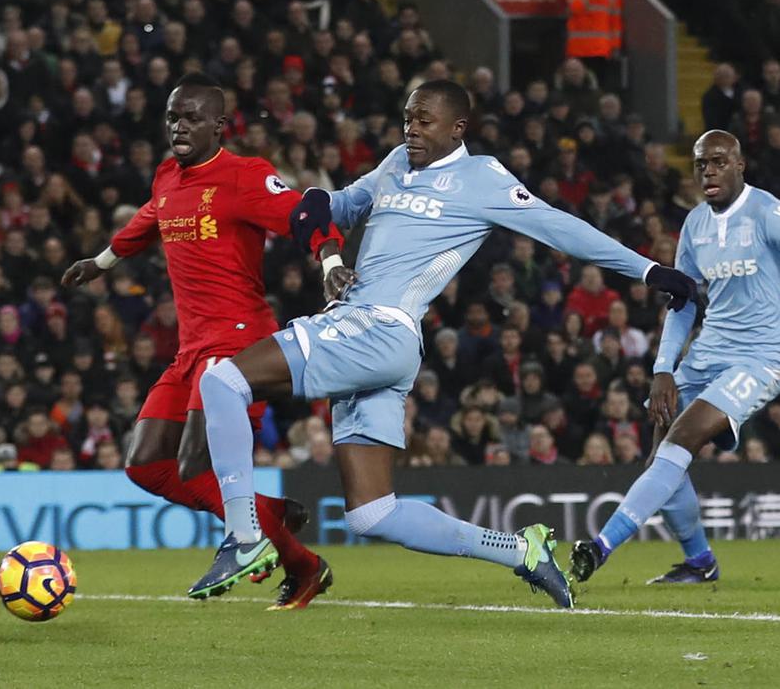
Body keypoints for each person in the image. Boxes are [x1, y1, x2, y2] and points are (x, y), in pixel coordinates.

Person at [191, 80, 698, 607]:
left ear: (458, 128)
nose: (411, 128)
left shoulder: (481, 178)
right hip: (376, 343)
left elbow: (560, 228)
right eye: (408, 117)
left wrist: (649, 269)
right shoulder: (393, 164)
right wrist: (313, 202)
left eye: (424, 120)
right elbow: (336, 207)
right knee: (372, 512)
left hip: (379, 327)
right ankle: (521, 550)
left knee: (224, 380)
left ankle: (245, 536)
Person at [61, 73, 344, 610]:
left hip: (240, 340)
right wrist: (98, 264)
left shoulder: (243, 176)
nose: (179, 126)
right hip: (190, 347)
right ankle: (282, 534)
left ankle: (259, 539)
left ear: (219, 125)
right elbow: (147, 223)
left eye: (191, 117)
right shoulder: (168, 177)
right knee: (145, 464)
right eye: (172, 117)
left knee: (196, 464)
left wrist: (329, 258)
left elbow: (306, 209)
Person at [571, 131, 780, 585]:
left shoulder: (767, 212)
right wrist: (664, 368)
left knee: (680, 441)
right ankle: (700, 562)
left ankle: (600, 547)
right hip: (708, 354)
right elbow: (682, 301)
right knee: (660, 459)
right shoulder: (695, 226)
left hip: (761, 357)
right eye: (701, 163)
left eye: (719, 162)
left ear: (740, 165)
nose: (708, 170)